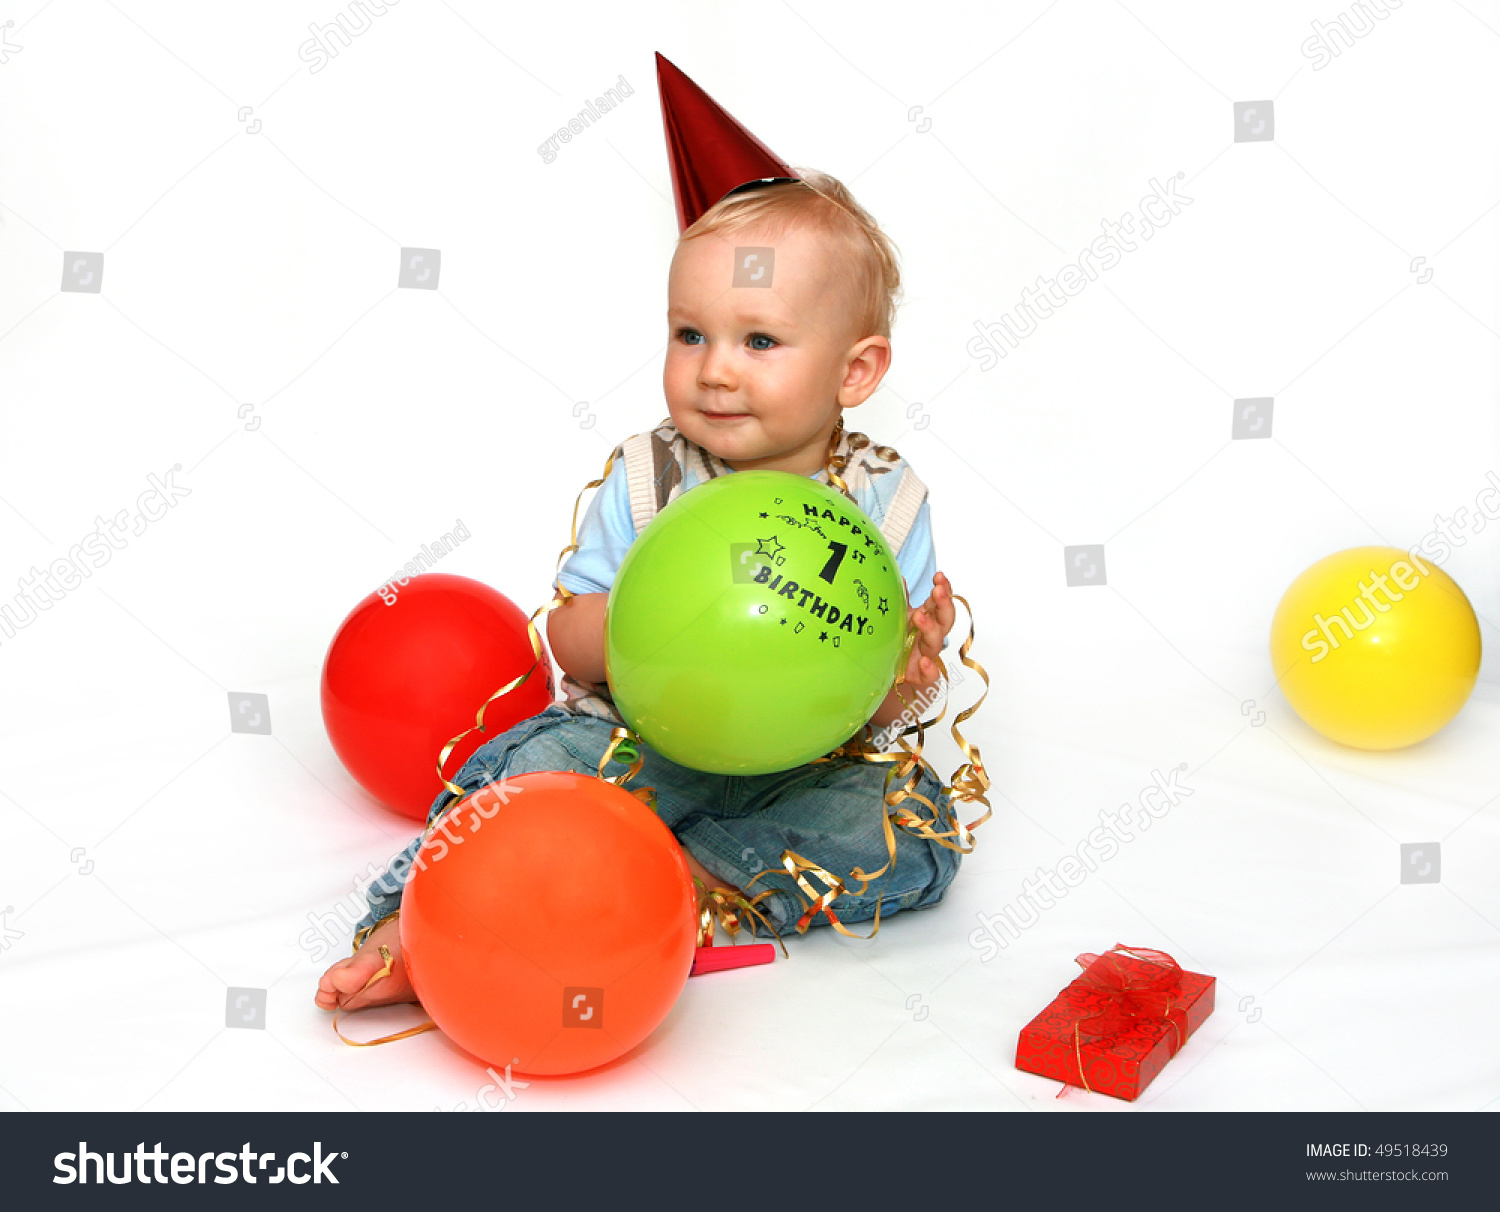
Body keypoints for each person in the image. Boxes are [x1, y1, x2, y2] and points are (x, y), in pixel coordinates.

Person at [316, 59, 980, 1018]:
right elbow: (568, 637)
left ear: (857, 369)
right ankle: (417, 927)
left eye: (760, 342)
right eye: (689, 334)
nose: (715, 372)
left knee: (914, 829)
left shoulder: (890, 505)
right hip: (630, 747)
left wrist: (903, 675)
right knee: (526, 774)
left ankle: (690, 886)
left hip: (793, 771)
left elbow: (863, 714)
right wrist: (644, 620)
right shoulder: (647, 476)